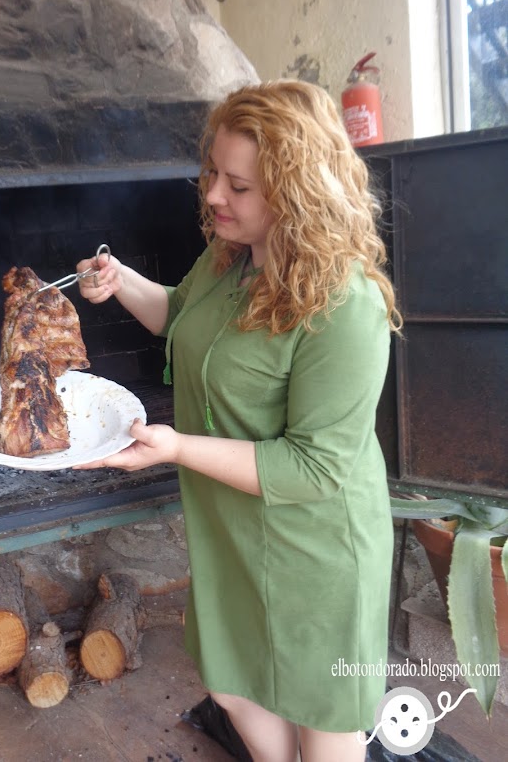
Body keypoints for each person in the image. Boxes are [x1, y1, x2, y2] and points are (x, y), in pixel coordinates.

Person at [73, 80, 401, 762]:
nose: (214, 196)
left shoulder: (347, 305)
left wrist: (175, 447)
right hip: (233, 528)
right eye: (212, 174)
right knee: (234, 686)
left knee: (320, 715)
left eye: (240, 186)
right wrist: (122, 281)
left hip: (314, 548)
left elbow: (314, 468)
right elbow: (183, 317)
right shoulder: (231, 256)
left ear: (297, 192)